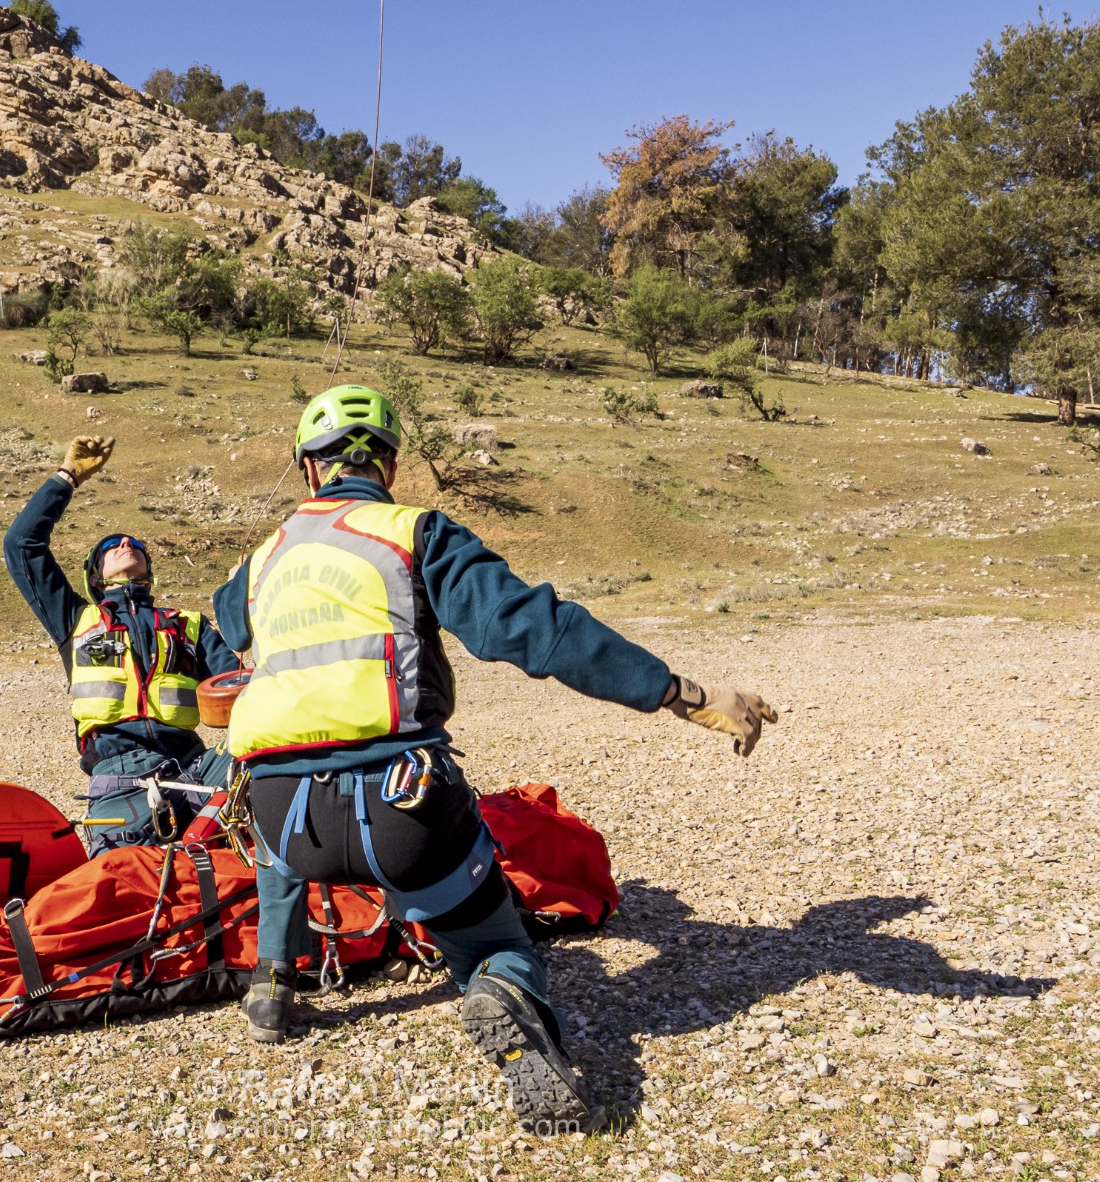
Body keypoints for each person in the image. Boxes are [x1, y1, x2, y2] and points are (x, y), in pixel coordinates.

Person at [210, 385, 778, 1131]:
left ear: (308, 469)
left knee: (273, 814)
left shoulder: (264, 559)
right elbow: (533, 632)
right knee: (493, 937)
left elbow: (221, 623)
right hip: (401, 806)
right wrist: (679, 692)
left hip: (291, 823)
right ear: (387, 465)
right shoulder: (415, 532)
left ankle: (272, 987)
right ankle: (499, 989)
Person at [4, 435, 241, 853]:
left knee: (264, 764)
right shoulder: (76, 619)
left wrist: (246, 596)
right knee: (124, 889)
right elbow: (22, 546)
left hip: (196, 768)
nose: (126, 544)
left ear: (147, 571)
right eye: (112, 546)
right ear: (96, 578)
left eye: (135, 545)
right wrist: (68, 477)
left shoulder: (189, 624)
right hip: (118, 778)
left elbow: (242, 690)